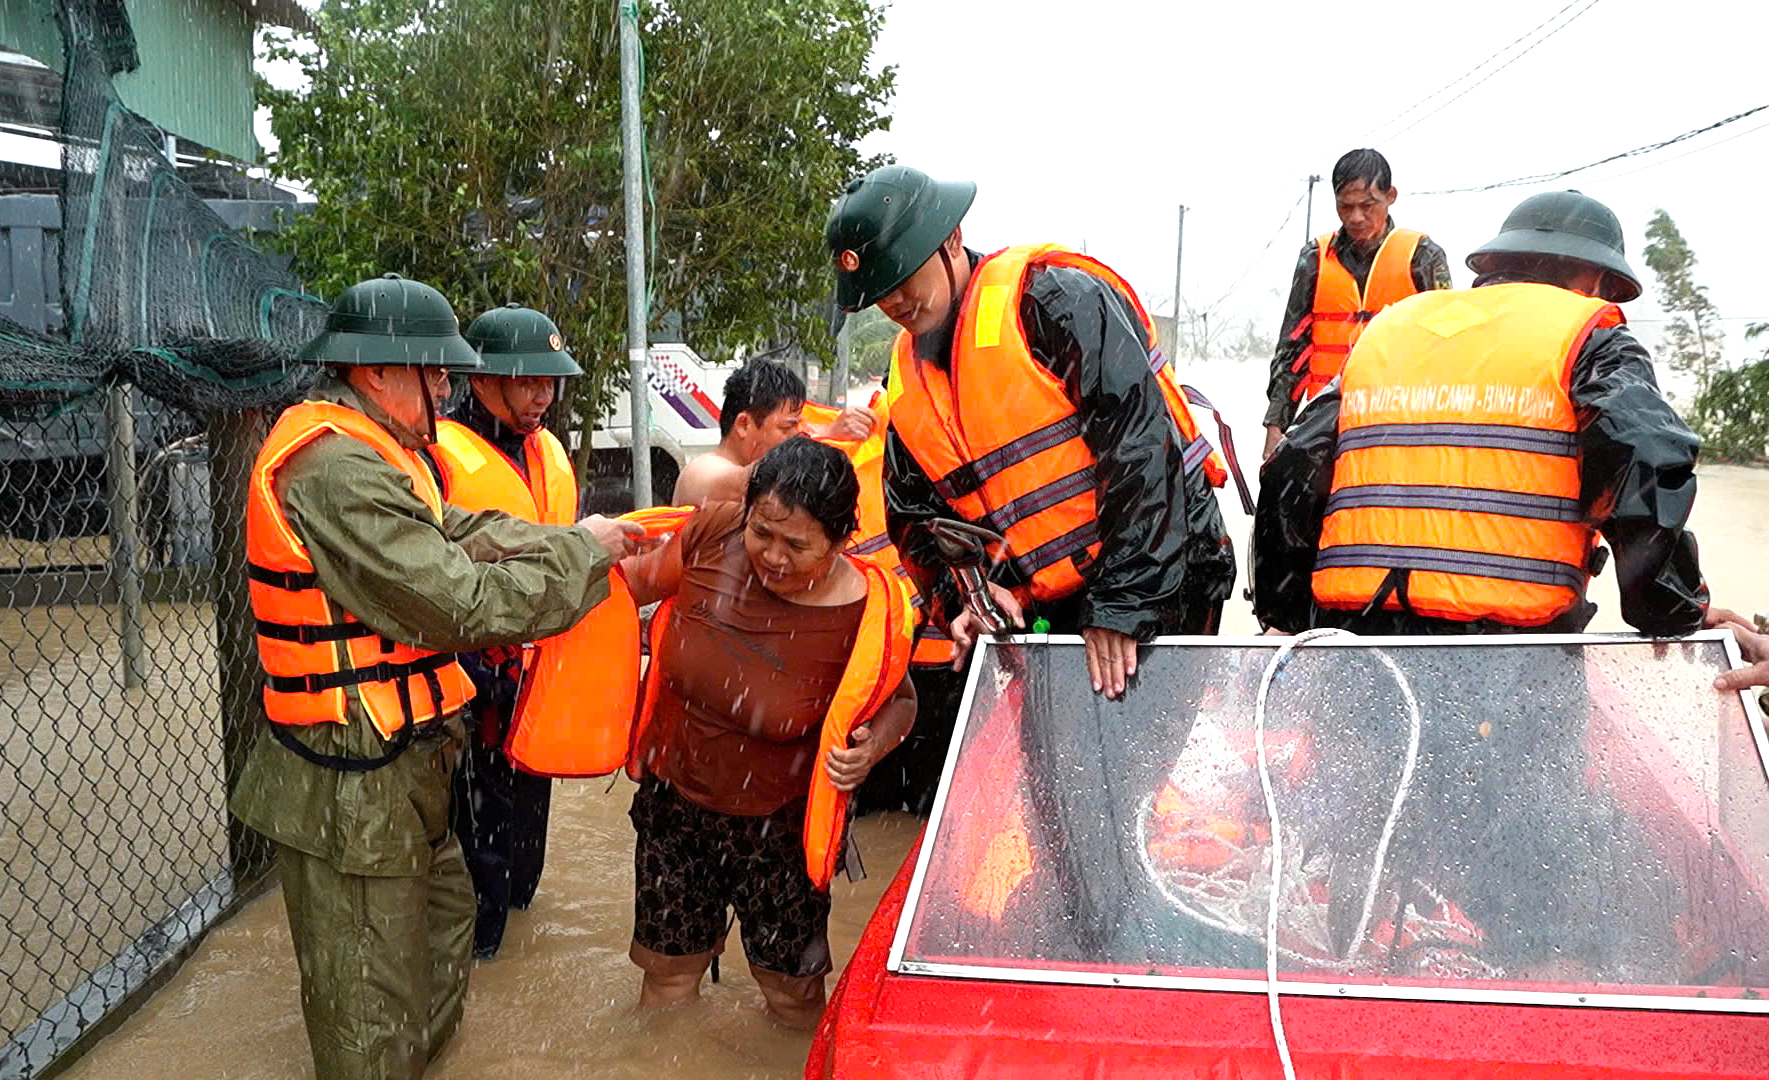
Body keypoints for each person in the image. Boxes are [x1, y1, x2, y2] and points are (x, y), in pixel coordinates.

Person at [1250, 189, 1709, 980]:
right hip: (1504, 670)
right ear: (1592, 280)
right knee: (1514, 862)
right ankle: (1517, 994)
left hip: (1360, 656)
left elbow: (1293, 467)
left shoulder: (1388, 334)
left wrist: (1290, 613)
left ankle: (1349, 990)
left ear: (1495, 266)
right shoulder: (1585, 337)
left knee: (1367, 838)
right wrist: (1669, 606)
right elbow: (1642, 455)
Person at [229, 273, 648, 1080]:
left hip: (402, 763)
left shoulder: (386, 458)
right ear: (380, 373)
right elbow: (459, 604)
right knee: (371, 1013)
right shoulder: (335, 470)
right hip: (350, 781)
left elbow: (466, 529)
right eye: (441, 373)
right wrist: (584, 560)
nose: (451, 390)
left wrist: (587, 538)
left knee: (444, 933)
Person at [825, 164, 1237, 699]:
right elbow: (916, 521)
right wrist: (969, 593)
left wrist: (1123, 601)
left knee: (1127, 764)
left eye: (902, 279)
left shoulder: (1053, 301)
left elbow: (1139, 446)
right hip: (1051, 605)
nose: (896, 302)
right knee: (1062, 776)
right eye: (881, 292)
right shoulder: (907, 382)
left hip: (1164, 571)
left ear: (952, 239)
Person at [620, 437, 917, 1029]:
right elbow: (633, 584)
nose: (773, 558)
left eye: (798, 544)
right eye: (763, 533)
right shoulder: (714, 533)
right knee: (668, 978)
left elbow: (903, 702)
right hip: (675, 804)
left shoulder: (864, 612)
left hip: (777, 830)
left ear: (838, 541)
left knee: (793, 999)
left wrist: (873, 748)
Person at [420, 302, 581, 960]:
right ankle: (479, 956)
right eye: (526, 381)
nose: (542, 395)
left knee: (525, 841)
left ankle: (516, 932)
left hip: (538, 675)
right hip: (471, 677)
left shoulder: (546, 450)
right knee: (476, 835)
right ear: (480, 380)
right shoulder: (434, 457)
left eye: (549, 382)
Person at [1262, 148, 1454, 460]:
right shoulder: (1314, 259)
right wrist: (1276, 424)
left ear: (1390, 196)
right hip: (1323, 423)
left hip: (1398, 422)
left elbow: (1448, 347)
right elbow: (1292, 348)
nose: (1356, 217)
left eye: (1367, 205)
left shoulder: (1423, 256)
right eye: (1345, 206)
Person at [670, 357, 876, 506]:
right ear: (744, 425)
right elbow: (776, 469)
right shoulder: (702, 472)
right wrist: (827, 433)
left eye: (799, 425)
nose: (796, 434)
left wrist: (829, 431)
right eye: (787, 427)